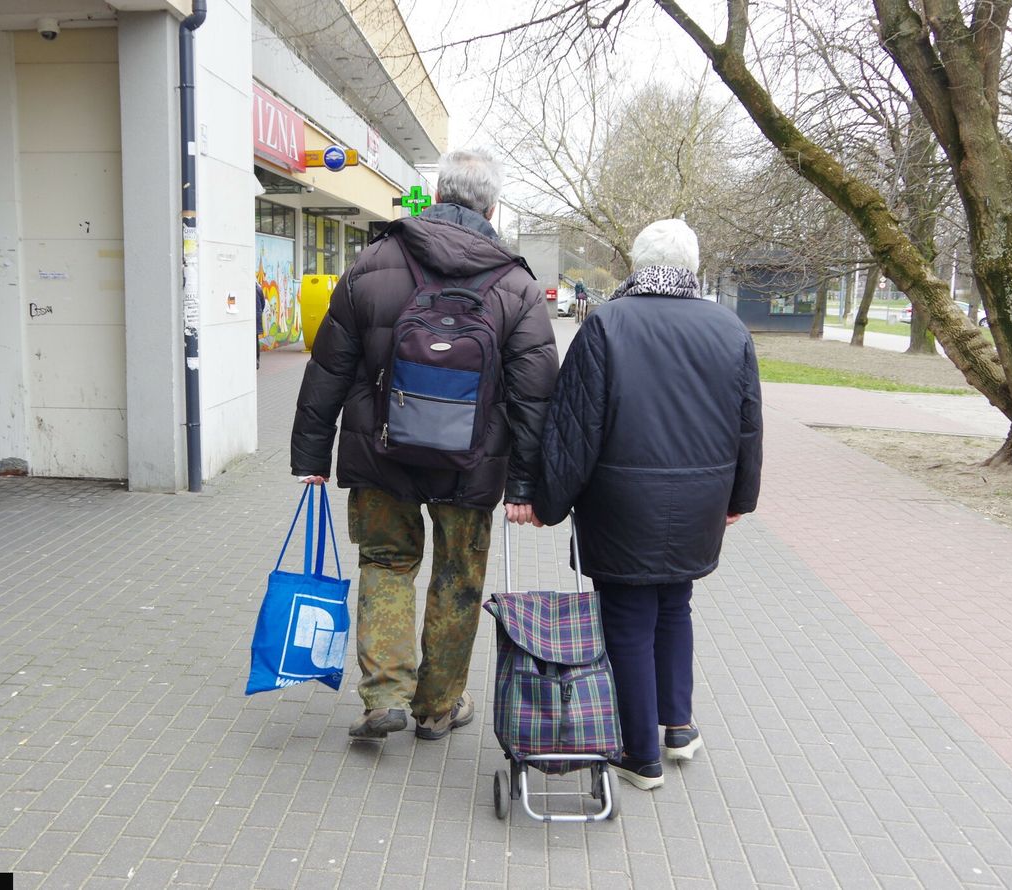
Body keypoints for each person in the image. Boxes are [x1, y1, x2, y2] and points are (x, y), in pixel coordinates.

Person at [291, 148, 558, 741]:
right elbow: (536, 396)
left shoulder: (375, 261)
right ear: (492, 205)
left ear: (437, 196)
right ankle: (438, 707)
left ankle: (384, 693)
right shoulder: (516, 284)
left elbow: (328, 365)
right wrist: (526, 485)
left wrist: (310, 455)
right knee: (458, 577)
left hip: (378, 452)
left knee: (386, 562)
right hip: (473, 463)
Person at [533, 219, 763, 789]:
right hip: (700, 500)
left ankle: (640, 754)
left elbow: (575, 426)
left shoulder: (607, 323)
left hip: (622, 502)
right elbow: (748, 425)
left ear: (637, 265)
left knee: (629, 620)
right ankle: (678, 728)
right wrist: (741, 498)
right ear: (691, 263)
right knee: (675, 606)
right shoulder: (728, 327)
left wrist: (548, 499)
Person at [255, 282, 266, 370]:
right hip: (257, 316)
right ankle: (257, 360)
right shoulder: (258, 288)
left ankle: (255, 360)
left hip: (252, 317)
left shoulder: (251, 289)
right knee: (255, 340)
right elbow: (263, 304)